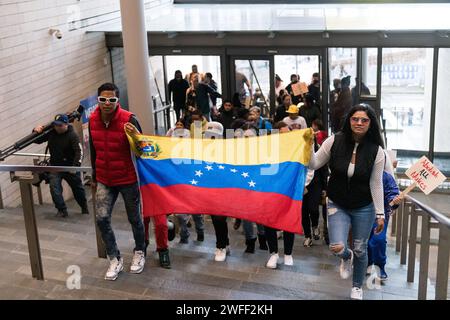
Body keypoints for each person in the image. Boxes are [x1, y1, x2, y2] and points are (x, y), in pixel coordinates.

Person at [308, 103, 386, 300]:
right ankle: (346, 257)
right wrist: (309, 145)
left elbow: (376, 183)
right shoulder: (334, 141)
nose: (359, 123)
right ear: (349, 120)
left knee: (361, 247)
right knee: (337, 246)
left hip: (364, 207)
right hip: (337, 202)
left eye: (364, 120)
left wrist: (380, 213)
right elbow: (314, 163)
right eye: (355, 119)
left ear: (371, 124)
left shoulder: (377, 151)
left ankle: (357, 286)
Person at [89, 83, 146, 280]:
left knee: (135, 219)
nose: (107, 103)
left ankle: (140, 251)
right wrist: (95, 176)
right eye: (102, 100)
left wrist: (136, 136)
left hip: (128, 178)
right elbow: (93, 149)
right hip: (105, 178)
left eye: (111, 100)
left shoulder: (129, 119)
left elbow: (144, 149)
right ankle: (114, 258)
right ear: (98, 100)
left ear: (117, 100)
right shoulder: (93, 119)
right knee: (102, 219)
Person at [33, 114, 88, 218]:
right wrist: (35, 131)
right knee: (54, 188)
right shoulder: (52, 133)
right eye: (56, 125)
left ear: (66, 124)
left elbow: (79, 152)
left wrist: (75, 167)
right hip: (55, 166)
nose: (57, 128)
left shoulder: (72, 135)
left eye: (60, 125)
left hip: (70, 167)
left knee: (78, 189)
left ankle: (84, 206)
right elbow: (37, 140)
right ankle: (62, 210)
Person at [367, 160, 401, 281]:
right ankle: (368, 262)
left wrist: (394, 200)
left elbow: (392, 193)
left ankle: (379, 267)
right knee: (364, 240)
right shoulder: (361, 173)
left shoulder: (386, 177)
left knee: (378, 240)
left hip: (381, 215)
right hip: (361, 213)